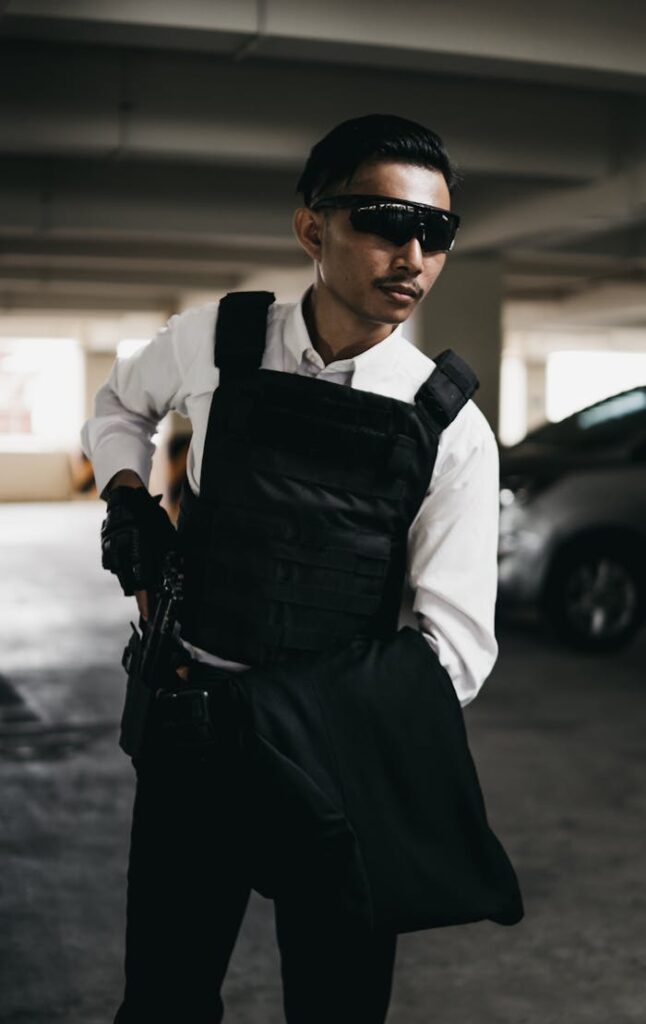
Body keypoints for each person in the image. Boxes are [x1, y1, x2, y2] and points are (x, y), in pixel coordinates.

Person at [81, 114, 511, 1024]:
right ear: (312, 227)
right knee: (162, 999)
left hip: (336, 765)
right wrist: (127, 496)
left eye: (437, 233)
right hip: (189, 740)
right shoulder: (220, 341)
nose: (413, 255)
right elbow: (121, 404)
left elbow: (457, 653)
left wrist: (286, 717)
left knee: (337, 1009)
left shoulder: (452, 428)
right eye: (384, 222)